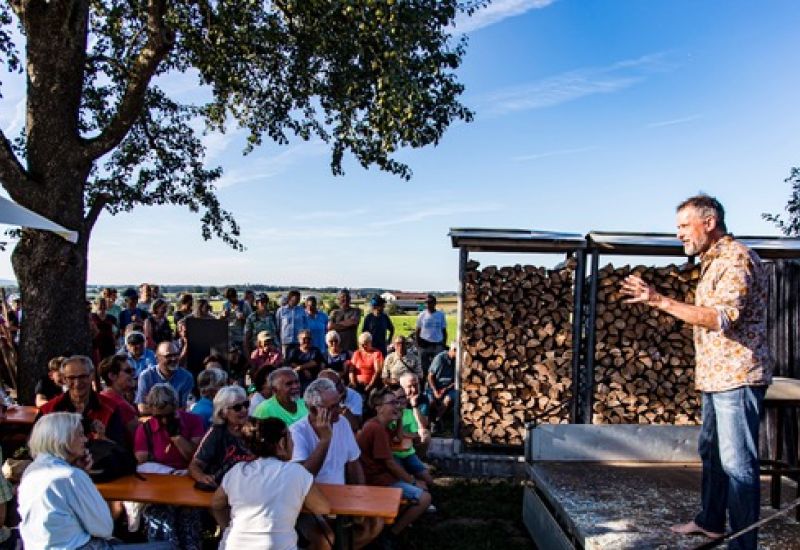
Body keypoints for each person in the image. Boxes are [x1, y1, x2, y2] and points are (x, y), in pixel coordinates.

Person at [620, 194, 771, 550]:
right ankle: (711, 522)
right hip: (716, 376)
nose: (679, 234)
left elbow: (721, 318)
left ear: (709, 222)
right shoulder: (712, 261)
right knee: (712, 453)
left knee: (738, 464)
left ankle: (743, 544)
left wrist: (659, 300)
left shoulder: (735, 259)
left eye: (684, 226)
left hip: (737, 377)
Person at [18, 412, 171, 549]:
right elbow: (104, 528)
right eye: (79, 434)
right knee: (169, 547)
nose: (85, 439)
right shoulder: (70, 476)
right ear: (62, 439)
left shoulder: (32, 470)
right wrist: (82, 474)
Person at [211, 417, 331, 549]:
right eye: (291, 438)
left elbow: (217, 504)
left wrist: (227, 528)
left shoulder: (238, 470)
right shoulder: (296, 472)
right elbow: (322, 507)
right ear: (281, 443)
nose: (293, 444)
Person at [291, 378, 382, 549]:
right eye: (332, 407)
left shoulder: (342, 423)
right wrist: (324, 440)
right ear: (313, 409)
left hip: (341, 498)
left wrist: (361, 495)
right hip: (310, 503)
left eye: (339, 403)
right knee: (326, 538)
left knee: (375, 523)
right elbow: (303, 477)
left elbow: (353, 462)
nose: (339, 410)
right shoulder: (297, 432)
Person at [357, 387, 432, 544]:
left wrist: (399, 419)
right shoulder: (376, 428)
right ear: (378, 408)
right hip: (377, 481)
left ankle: (391, 527)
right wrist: (412, 481)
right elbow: (390, 463)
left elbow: (398, 438)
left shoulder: (381, 426)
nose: (397, 406)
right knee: (425, 497)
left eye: (398, 402)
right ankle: (391, 535)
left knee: (422, 485)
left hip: (384, 476)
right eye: (392, 403)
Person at [135, 385, 205, 550]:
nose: (165, 421)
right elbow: (142, 459)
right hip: (159, 489)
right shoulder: (146, 428)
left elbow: (196, 458)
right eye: (159, 417)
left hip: (187, 485)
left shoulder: (193, 421)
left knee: (189, 529)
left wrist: (177, 438)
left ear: (176, 407)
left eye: (169, 415)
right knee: (162, 527)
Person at [39, 355, 127, 446]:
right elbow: (37, 446)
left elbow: (120, 448)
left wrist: (103, 440)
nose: (77, 383)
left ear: (92, 375)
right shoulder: (48, 410)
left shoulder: (110, 408)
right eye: (71, 378)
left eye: (83, 376)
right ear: (64, 379)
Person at [189, 386, 256, 488]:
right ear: (223, 413)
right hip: (222, 487)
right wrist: (202, 477)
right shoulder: (216, 432)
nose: (244, 410)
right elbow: (195, 465)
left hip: (252, 485)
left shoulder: (257, 427)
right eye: (237, 407)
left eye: (246, 404)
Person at [392, 377, 433, 484]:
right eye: (409, 386)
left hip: (408, 451)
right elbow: (394, 437)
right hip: (394, 454)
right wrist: (406, 435)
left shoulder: (415, 405)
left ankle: (417, 464)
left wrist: (414, 406)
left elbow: (419, 430)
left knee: (429, 481)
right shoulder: (389, 414)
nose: (414, 389)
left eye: (416, 385)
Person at [136, 341, 195, 413]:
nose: (173, 359)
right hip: (154, 418)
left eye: (176, 355)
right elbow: (142, 408)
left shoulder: (186, 377)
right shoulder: (146, 376)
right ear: (157, 358)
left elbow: (185, 406)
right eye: (168, 356)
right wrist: (166, 412)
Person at [98, 355, 139, 444]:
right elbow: (139, 437)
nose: (132, 374)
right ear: (112, 376)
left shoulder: (101, 396)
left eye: (133, 370)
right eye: (128, 371)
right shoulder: (121, 405)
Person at [415, 294, 447, 386]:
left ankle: (436, 385)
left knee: (438, 366)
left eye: (430, 302)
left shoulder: (440, 315)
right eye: (426, 303)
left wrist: (443, 343)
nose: (428, 304)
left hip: (437, 344)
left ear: (435, 303)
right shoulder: (422, 315)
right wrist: (418, 344)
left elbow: (444, 330)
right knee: (424, 367)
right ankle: (424, 386)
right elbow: (417, 330)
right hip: (424, 344)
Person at [427, 341, 457, 431]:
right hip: (435, 386)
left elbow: (456, 380)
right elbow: (430, 376)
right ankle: (430, 421)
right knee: (431, 401)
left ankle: (437, 419)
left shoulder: (457, 361)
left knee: (448, 399)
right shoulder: (440, 359)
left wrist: (447, 388)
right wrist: (435, 391)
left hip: (449, 388)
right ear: (453, 350)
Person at [244, 293, 278, 362]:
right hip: (258, 353)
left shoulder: (273, 316)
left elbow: (278, 333)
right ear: (257, 304)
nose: (264, 304)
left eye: (266, 302)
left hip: (273, 353)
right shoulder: (251, 318)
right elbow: (246, 338)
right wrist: (249, 357)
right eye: (262, 302)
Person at [275, 289, 308, 356]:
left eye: (299, 298)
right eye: (297, 298)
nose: (298, 300)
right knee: (285, 360)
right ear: (290, 298)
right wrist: (278, 342)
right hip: (285, 342)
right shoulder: (281, 311)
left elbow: (305, 326)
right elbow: (277, 327)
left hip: (299, 342)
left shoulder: (302, 311)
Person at [328, 289, 361, 353]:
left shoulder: (356, 311)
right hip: (337, 349)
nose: (345, 298)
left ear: (350, 298)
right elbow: (330, 327)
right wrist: (347, 325)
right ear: (338, 299)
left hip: (351, 348)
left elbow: (353, 322)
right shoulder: (334, 312)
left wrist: (336, 325)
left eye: (347, 296)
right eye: (343, 297)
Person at [221, 287, 252, 352]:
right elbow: (220, 320)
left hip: (242, 335)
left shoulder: (245, 304)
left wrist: (243, 317)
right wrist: (223, 316)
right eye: (228, 299)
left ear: (236, 296)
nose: (230, 301)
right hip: (229, 335)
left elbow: (252, 320)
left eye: (231, 298)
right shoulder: (225, 305)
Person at [91, 296, 118, 363]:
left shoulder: (111, 318)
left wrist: (115, 339)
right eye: (101, 305)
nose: (103, 307)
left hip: (109, 344)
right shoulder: (92, 317)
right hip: (97, 345)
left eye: (104, 305)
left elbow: (117, 330)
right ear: (96, 305)